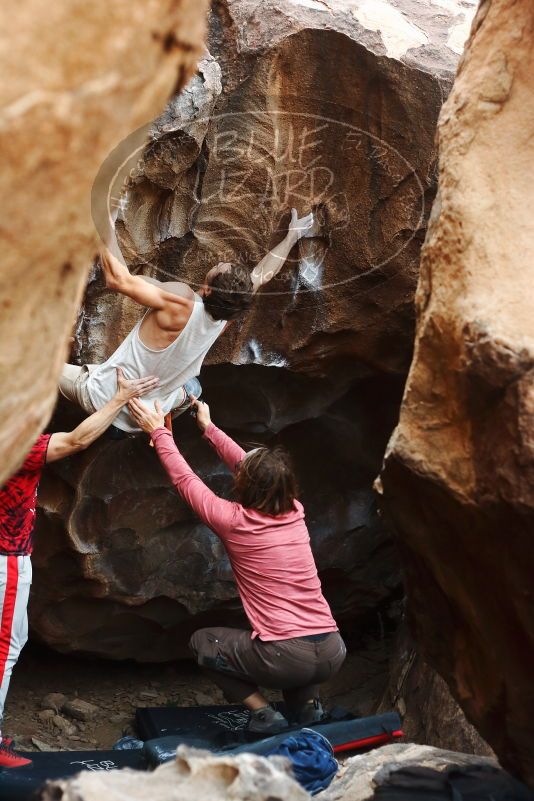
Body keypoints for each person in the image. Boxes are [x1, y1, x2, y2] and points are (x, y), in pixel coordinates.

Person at [128, 395, 346, 736]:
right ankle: (307, 711)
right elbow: (253, 470)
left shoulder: (234, 521)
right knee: (297, 659)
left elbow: (186, 480)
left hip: (288, 658)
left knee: (203, 642)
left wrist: (159, 432)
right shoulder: (294, 511)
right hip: (333, 650)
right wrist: (209, 429)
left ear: (244, 483)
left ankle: (264, 715)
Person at [0, 368, 158, 768]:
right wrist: (120, 399)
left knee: (12, 643)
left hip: (10, 556)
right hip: (7, 558)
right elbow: (78, 439)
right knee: (4, 649)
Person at [59, 209, 314, 434]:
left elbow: (118, 280)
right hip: (146, 415)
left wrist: (106, 223)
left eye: (221, 268)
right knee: (193, 387)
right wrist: (292, 236)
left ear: (208, 290)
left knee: (44, 370)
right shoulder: (224, 317)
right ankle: (165, 417)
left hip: (104, 397)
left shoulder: (182, 301)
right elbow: (262, 274)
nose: (223, 262)